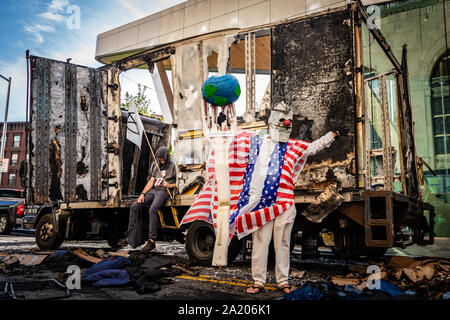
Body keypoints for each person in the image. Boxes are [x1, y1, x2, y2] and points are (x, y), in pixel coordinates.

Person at [181, 104, 348, 295]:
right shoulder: (256, 143)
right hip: (261, 204)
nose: (285, 125)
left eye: (288, 123)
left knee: (283, 245)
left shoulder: (293, 146)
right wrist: (224, 126)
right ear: (270, 125)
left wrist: (332, 134)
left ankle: (283, 281)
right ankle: (258, 282)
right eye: (281, 122)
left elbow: (313, 148)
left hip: (284, 203)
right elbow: (234, 140)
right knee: (260, 244)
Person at [119, 146, 177, 252]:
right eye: (159, 158)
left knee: (153, 209)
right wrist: (142, 194)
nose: (160, 160)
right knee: (135, 206)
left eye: (162, 158)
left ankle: (151, 241)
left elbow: (179, 182)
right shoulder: (157, 166)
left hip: (164, 191)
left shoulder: (173, 166)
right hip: (155, 190)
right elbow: (151, 181)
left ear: (166, 157)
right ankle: (130, 236)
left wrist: (169, 185)